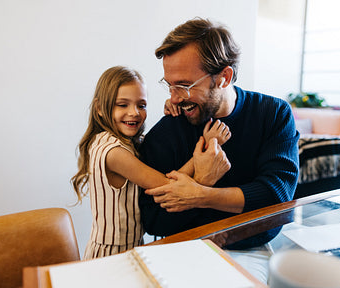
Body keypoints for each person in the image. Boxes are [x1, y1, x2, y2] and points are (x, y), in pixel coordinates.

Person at [139, 18, 300, 248]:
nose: (174, 98)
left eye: (184, 86)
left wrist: (199, 194)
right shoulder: (167, 132)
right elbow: (153, 222)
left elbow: (277, 196)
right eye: (169, 85)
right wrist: (202, 180)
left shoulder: (273, 114)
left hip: (254, 250)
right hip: (184, 251)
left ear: (224, 77)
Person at [71, 66, 232, 259]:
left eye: (141, 105)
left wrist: (176, 107)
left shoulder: (121, 143)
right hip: (111, 253)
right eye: (122, 105)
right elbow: (169, 186)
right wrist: (205, 147)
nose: (134, 113)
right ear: (99, 108)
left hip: (132, 246)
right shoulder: (114, 153)